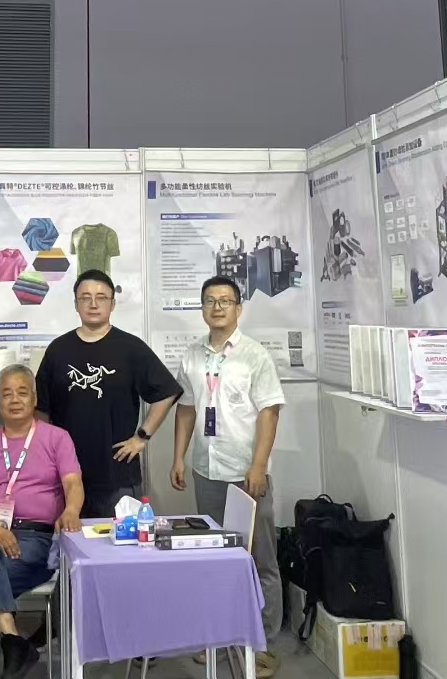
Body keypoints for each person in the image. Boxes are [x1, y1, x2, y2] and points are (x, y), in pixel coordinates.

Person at [171, 276, 286, 679]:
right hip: (207, 470)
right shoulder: (192, 355)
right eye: (210, 301)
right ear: (202, 308)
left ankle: (264, 645)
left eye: (225, 300)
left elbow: (270, 412)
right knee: (216, 558)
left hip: (245, 474)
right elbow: (186, 408)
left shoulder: (254, 355)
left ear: (239, 308)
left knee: (259, 560)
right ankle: (219, 637)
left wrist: (258, 466)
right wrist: (179, 457)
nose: (217, 307)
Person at [0, 365, 83, 679]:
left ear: (34, 399)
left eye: (22, 392)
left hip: (38, 541)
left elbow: (73, 483)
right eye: (7, 394)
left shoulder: (56, 437)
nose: (14, 400)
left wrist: (71, 510)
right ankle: (13, 639)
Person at [35, 269, 181, 517]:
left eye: (101, 297)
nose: (93, 304)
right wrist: (47, 453)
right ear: (76, 304)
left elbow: (166, 392)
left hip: (117, 473)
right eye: (85, 297)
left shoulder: (130, 348)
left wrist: (142, 437)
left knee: (121, 540)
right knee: (68, 539)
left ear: (112, 304)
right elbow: (41, 408)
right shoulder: (58, 350)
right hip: (66, 474)